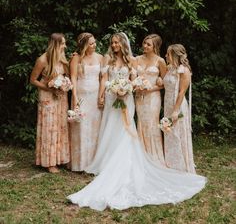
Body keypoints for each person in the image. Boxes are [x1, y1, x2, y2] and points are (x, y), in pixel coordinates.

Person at [67, 33, 206, 211]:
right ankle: (106, 161)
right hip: (111, 98)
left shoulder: (131, 60)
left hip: (126, 99)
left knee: (126, 129)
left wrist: (126, 89)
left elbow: (134, 80)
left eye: (117, 42)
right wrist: (103, 94)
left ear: (123, 43)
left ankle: (128, 159)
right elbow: (103, 78)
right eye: (112, 42)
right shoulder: (107, 58)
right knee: (109, 127)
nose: (114, 45)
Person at [30, 33, 70, 173]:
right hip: (47, 96)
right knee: (49, 127)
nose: (65, 46)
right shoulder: (42, 59)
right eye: (63, 43)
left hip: (60, 96)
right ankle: (48, 162)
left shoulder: (61, 58)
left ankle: (60, 158)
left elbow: (67, 75)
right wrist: (49, 87)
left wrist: (64, 83)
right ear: (55, 44)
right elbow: (33, 80)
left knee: (60, 126)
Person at [69, 32, 103, 171]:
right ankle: (80, 163)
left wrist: (101, 96)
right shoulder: (76, 58)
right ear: (84, 45)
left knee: (95, 128)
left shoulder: (100, 57)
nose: (94, 45)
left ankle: (94, 162)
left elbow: (103, 78)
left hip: (95, 96)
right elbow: (73, 77)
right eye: (91, 44)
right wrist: (75, 96)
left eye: (95, 42)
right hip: (81, 96)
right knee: (81, 127)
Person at [163, 44, 195, 173]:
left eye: (168, 54)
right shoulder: (170, 68)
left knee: (177, 133)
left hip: (178, 105)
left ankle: (181, 165)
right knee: (169, 132)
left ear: (175, 55)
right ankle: (171, 163)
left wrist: (176, 110)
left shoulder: (184, 70)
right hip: (167, 104)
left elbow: (182, 92)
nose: (165, 56)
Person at [135, 34, 166, 165]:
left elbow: (165, 83)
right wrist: (136, 86)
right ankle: (141, 155)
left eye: (148, 44)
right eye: (144, 43)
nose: (145, 46)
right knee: (141, 123)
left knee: (151, 123)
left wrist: (151, 88)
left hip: (153, 97)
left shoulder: (160, 61)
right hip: (139, 97)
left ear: (155, 47)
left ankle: (154, 156)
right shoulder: (136, 59)